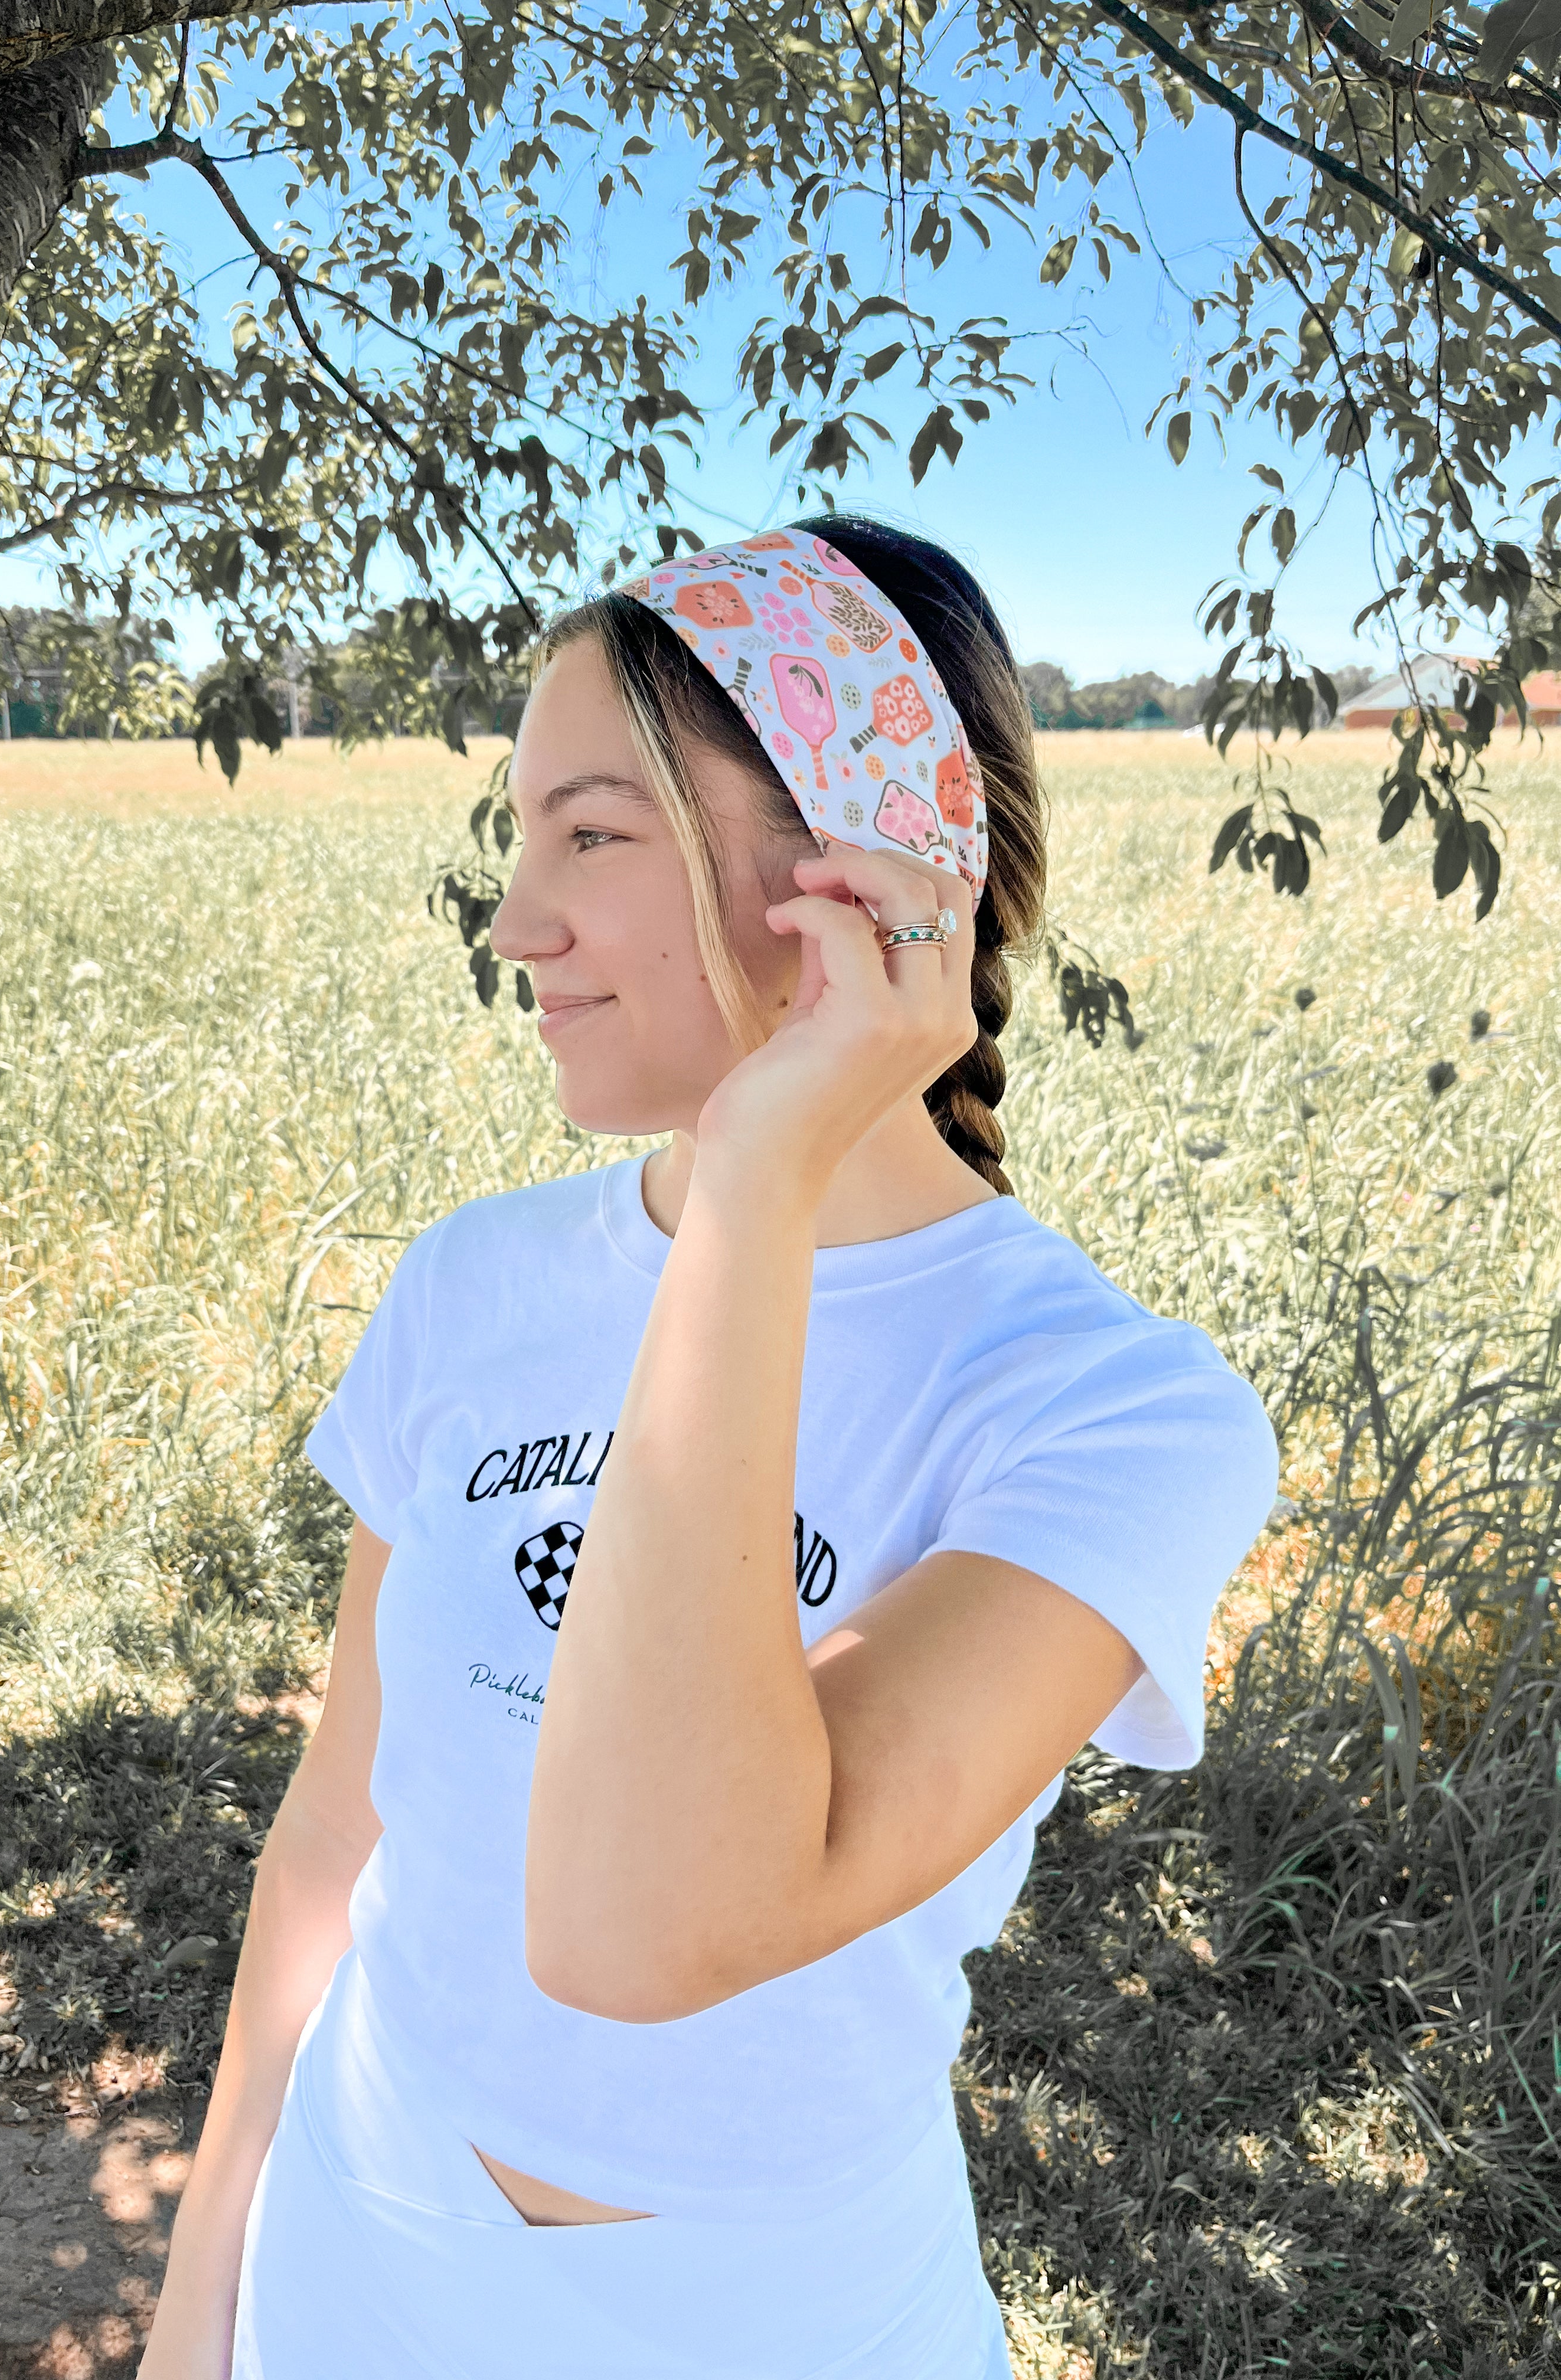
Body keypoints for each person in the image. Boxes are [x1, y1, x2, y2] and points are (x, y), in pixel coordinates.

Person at [137, 515, 1281, 2379]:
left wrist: (763, 1173)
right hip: (357, 2233)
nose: (515, 923)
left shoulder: (1108, 1413)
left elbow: (646, 1923)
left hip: (778, 2313)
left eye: (590, 833)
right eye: (524, 836)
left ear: (862, 871)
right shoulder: (473, 1284)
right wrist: (208, 2286)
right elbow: (340, 1832)